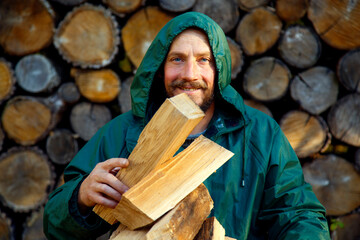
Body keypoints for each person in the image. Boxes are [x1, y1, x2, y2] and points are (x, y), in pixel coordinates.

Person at [43, 12, 330, 239]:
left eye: (203, 60)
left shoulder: (260, 134)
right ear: (160, 69)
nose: (189, 74)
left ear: (218, 69)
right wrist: (80, 198)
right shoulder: (121, 133)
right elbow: (55, 226)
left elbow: (297, 214)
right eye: (177, 59)